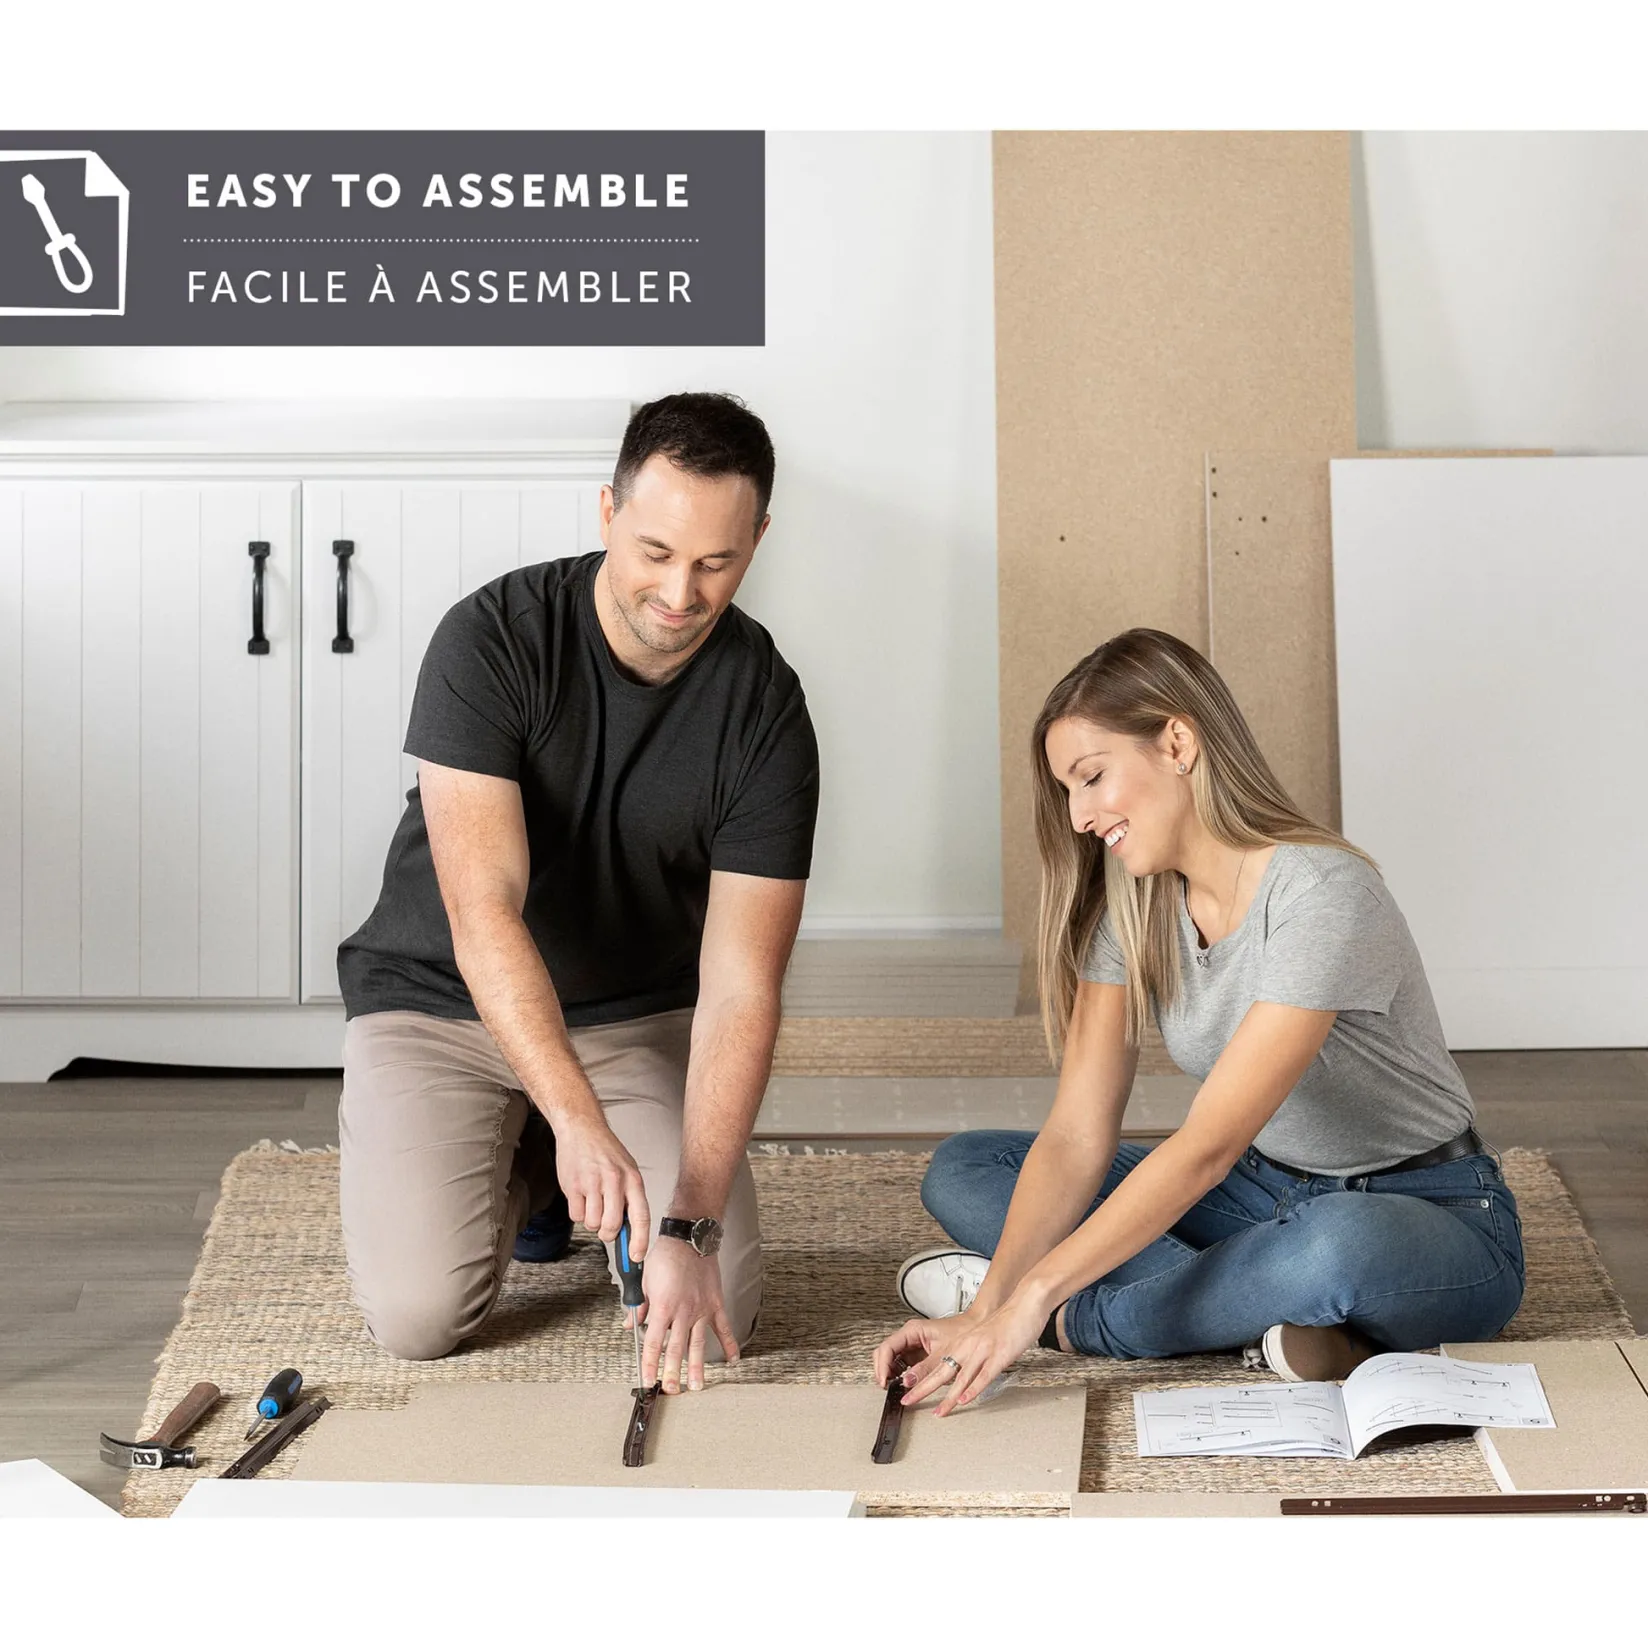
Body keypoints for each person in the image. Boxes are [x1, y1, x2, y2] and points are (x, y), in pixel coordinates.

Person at [875, 628, 1524, 1416]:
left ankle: (1095, 1325)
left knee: (1334, 1247)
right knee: (969, 1170)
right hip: (1263, 1193)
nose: (1079, 816)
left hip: (1431, 1213)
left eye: (1090, 778)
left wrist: (1025, 1305)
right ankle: (1272, 1317)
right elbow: (1078, 1134)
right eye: (1067, 792)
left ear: (1177, 741)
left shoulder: (1322, 896)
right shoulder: (1135, 908)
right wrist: (987, 1311)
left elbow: (1207, 1148)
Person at [336, 392, 819, 1395]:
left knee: (716, 1286)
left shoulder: (764, 707)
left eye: (715, 562)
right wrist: (580, 1119)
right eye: (653, 550)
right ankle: (537, 1156)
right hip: (439, 1000)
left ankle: (558, 1151)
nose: (680, 592)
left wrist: (687, 1219)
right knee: (420, 1318)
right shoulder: (491, 639)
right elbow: (483, 914)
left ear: (758, 539)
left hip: (630, 1017)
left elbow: (739, 989)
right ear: (606, 511)